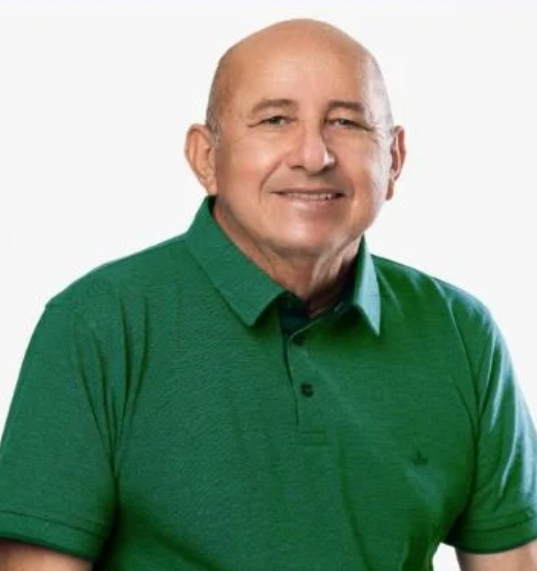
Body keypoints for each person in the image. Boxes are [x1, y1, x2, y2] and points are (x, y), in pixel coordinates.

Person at [0, 17, 535, 571]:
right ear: (206, 157)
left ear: (394, 159)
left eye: (346, 122)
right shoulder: (97, 325)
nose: (314, 155)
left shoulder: (461, 334)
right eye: (275, 120)